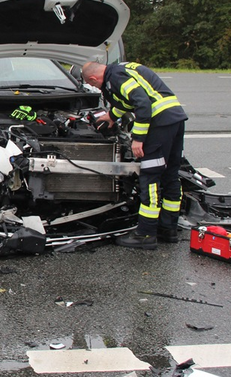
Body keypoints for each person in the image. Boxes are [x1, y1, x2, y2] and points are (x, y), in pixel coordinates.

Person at [81, 61, 188, 249]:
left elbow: (143, 104)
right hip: (174, 119)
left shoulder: (115, 78)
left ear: (93, 78)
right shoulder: (123, 68)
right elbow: (127, 100)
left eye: (93, 85)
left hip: (158, 124)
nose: (94, 87)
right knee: (171, 175)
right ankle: (168, 228)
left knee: (150, 177)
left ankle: (145, 234)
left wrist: (138, 138)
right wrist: (112, 116)